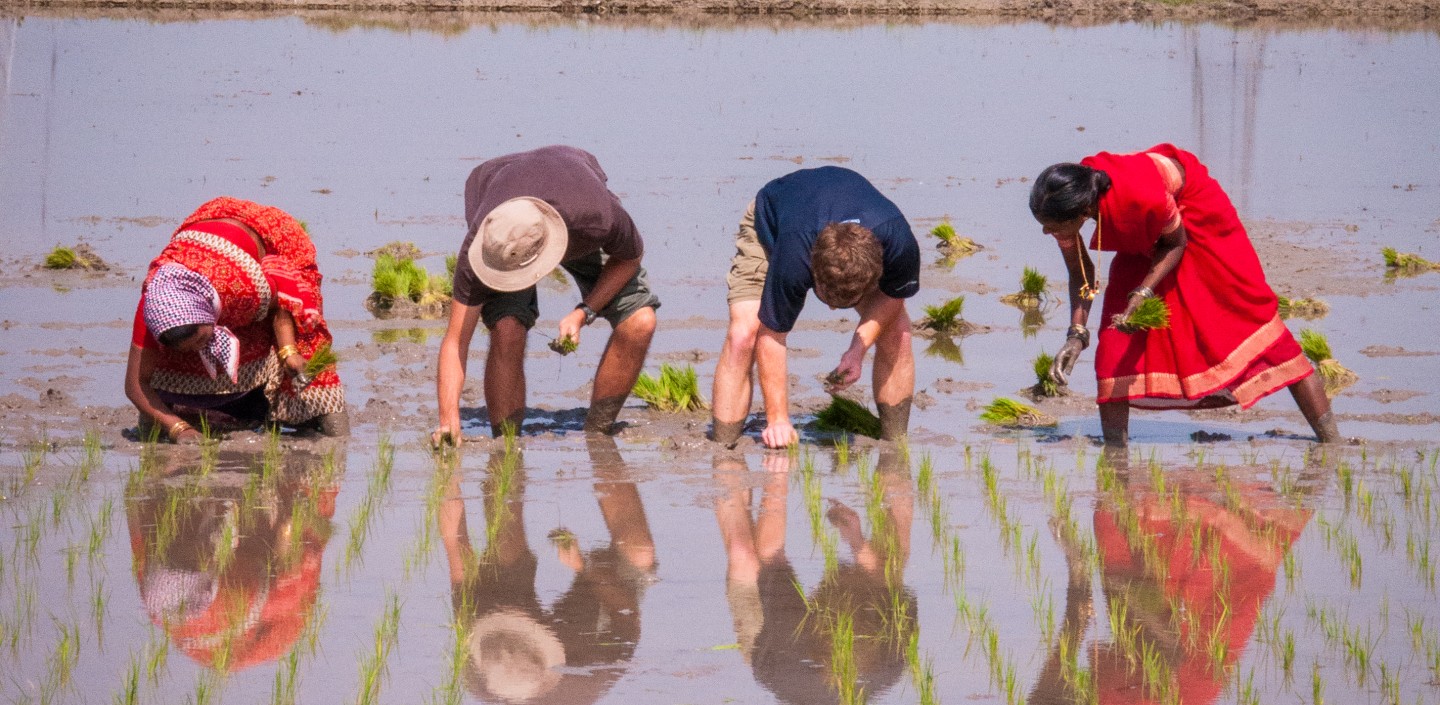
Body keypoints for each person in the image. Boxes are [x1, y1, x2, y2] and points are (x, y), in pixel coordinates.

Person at [1028, 144, 1341, 447]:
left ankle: (1332, 443)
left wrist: (1144, 290)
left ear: (1083, 211)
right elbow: (1081, 274)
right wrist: (1076, 335)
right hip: (1147, 230)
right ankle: (1116, 459)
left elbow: (1175, 243)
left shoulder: (1141, 197)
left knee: (1248, 319)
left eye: (1052, 226)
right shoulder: (1072, 198)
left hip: (1194, 221)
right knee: (1114, 345)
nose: (1046, 232)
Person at [433, 146, 659, 443]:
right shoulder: (485, 244)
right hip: (498, 194)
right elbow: (456, 341)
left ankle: (598, 434)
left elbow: (630, 257)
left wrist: (584, 312)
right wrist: (448, 420)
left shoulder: (595, 217)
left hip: (572, 214)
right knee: (507, 328)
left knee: (640, 321)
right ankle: (507, 444)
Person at [711, 167, 920, 448]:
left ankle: (895, 444)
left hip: (850, 229)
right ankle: (724, 446)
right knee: (743, 334)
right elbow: (772, 334)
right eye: (828, 300)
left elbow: (894, 297)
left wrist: (858, 350)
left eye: (845, 303)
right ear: (811, 273)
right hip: (774, 221)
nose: (833, 312)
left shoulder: (899, 242)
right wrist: (778, 420)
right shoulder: (794, 257)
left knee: (898, 332)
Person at [124, 197, 347, 442]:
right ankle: (160, 419)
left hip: (270, 236)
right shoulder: (154, 310)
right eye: (188, 348)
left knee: (305, 328)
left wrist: (288, 350)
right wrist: (179, 428)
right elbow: (135, 385)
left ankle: (322, 417)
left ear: (208, 316)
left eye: (201, 339)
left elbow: (285, 297)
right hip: (203, 244)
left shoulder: (241, 289)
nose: (197, 349)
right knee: (161, 367)